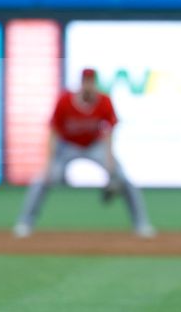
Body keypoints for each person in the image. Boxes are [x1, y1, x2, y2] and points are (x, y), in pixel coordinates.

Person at [15, 67, 153, 238]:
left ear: (95, 84)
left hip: (94, 146)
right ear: (81, 84)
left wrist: (110, 167)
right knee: (42, 179)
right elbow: (53, 131)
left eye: (91, 82)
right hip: (67, 146)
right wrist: (49, 163)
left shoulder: (104, 101)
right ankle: (25, 223)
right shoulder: (65, 101)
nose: (88, 86)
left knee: (124, 179)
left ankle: (141, 224)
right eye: (86, 82)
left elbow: (109, 133)